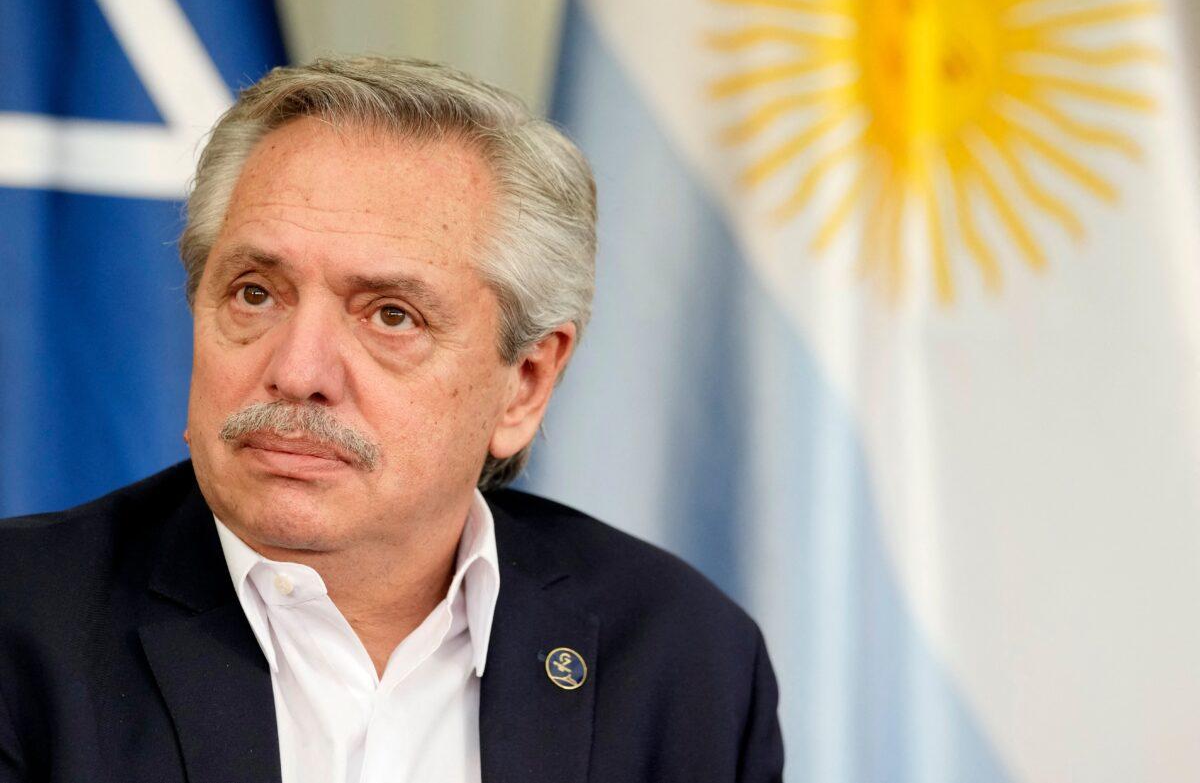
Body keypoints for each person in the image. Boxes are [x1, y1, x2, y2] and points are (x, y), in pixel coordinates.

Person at [0, 57, 783, 783]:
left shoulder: (685, 662)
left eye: (391, 315)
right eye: (254, 293)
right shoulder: (23, 628)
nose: (298, 371)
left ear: (525, 384)